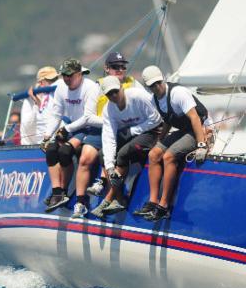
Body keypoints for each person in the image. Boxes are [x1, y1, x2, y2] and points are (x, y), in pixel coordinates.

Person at [139, 65, 215, 221]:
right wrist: (160, 141)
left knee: (169, 156)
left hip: (200, 128)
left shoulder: (177, 93)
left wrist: (201, 145)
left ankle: (164, 205)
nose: (157, 87)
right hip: (185, 130)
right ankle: (153, 201)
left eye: (158, 82)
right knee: (154, 154)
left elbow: (194, 118)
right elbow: (168, 120)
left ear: (163, 79)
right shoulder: (154, 100)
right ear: (148, 87)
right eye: (152, 85)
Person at [89, 76, 163, 219]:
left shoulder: (138, 96)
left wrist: (132, 131)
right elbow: (108, 137)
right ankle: (119, 198)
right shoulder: (108, 109)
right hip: (131, 134)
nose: (114, 96)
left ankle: (111, 200)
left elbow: (156, 119)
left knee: (123, 154)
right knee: (103, 155)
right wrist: (110, 167)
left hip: (153, 131)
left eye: (116, 91)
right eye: (109, 94)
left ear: (122, 88)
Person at [41, 58, 102, 215]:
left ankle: (65, 190)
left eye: (70, 75)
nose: (66, 79)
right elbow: (56, 113)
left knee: (65, 152)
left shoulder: (90, 87)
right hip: (74, 128)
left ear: (79, 74)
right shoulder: (61, 87)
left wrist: (66, 129)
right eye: (64, 75)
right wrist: (47, 135)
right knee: (51, 150)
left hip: (89, 127)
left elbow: (88, 117)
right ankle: (57, 192)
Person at [87, 51, 148, 198]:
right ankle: (85, 197)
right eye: (115, 67)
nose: (120, 70)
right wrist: (111, 124)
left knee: (119, 150)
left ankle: (107, 187)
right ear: (107, 68)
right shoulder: (98, 86)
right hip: (104, 128)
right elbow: (88, 116)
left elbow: (149, 104)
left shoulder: (133, 83)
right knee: (88, 156)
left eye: (123, 67)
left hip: (127, 128)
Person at [20, 66, 59, 146]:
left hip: (55, 141)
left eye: (55, 79)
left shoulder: (59, 92)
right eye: (51, 80)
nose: (55, 82)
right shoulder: (29, 101)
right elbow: (26, 126)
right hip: (35, 144)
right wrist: (36, 103)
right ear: (41, 83)